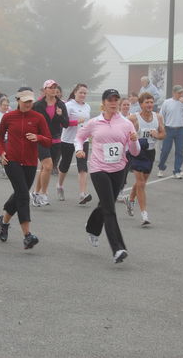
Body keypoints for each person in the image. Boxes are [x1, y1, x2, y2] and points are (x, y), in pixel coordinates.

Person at [75, 89, 140, 263]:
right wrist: (79, 149)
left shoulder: (126, 124)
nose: (113, 103)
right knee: (110, 209)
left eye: (116, 100)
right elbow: (79, 137)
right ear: (104, 103)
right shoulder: (94, 122)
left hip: (119, 169)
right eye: (110, 100)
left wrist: (134, 140)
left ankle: (92, 228)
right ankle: (118, 248)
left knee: (105, 204)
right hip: (98, 169)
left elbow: (134, 151)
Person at [0, 87, 51, 249]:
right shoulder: (9, 117)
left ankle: (4, 222)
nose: (28, 104)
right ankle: (27, 235)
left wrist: (38, 137)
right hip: (11, 161)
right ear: (18, 101)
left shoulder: (38, 118)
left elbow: (48, 140)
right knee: (23, 195)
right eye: (25, 101)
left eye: (30, 102)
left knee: (20, 194)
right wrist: (1, 152)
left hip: (30, 163)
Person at [124, 92, 165, 225]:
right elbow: (121, 128)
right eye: (147, 102)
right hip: (137, 152)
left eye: (151, 102)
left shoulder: (158, 117)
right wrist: (132, 136)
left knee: (142, 182)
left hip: (150, 153)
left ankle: (130, 199)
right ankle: (144, 215)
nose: (149, 105)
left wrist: (157, 135)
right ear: (141, 104)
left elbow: (163, 133)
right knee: (141, 183)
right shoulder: (133, 118)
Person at [31, 79, 69, 207]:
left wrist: (59, 115)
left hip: (56, 139)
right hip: (42, 139)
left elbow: (66, 123)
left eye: (55, 87)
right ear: (45, 90)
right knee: (47, 166)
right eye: (50, 87)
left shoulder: (61, 105)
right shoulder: (37, 105)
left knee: (44, 168)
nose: (53, 90)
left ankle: (35, 193)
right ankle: (44, 194)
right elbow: (32, 123)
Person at [58, 83, 92, 204]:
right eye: (81, 92)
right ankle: (60, 186)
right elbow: (63, 123)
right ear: (75, 92)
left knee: (82, 166)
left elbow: (87, 123)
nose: (83, 95)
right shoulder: (68, 105)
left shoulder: (87, 107)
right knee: (65, 165)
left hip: (83, 140)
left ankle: (82, 194)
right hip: (68, 139)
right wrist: (76, 122)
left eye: (85, 93)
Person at [157, 85, 183, 179]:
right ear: (174, 93)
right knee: (165, 150)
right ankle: (161, 168)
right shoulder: (167, 102)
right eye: (179, 93)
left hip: (180, 129)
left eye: (181, 92)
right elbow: (161, 115)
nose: (181, 94)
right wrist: (162, 127)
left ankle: (177, 171)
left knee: (179, 151)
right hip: (169, 129)